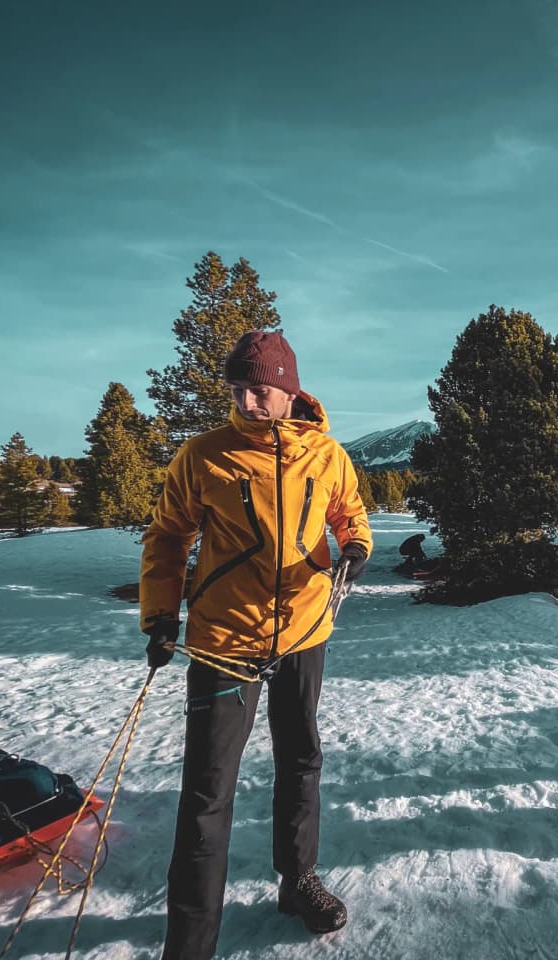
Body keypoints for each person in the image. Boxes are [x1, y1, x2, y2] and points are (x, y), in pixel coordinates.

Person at [139, 330, 373, 958]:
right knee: (207, 792)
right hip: (224, 639)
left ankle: (298, 884)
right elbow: (166, 537)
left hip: (304, 630)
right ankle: (190, 943)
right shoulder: (203, 455)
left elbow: (350, 511)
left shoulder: (326, 455)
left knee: (301, 760)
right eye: (236, 389)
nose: (245, 401)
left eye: (258, 389)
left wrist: (355, 546)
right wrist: (161, 613)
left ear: (288, 389)